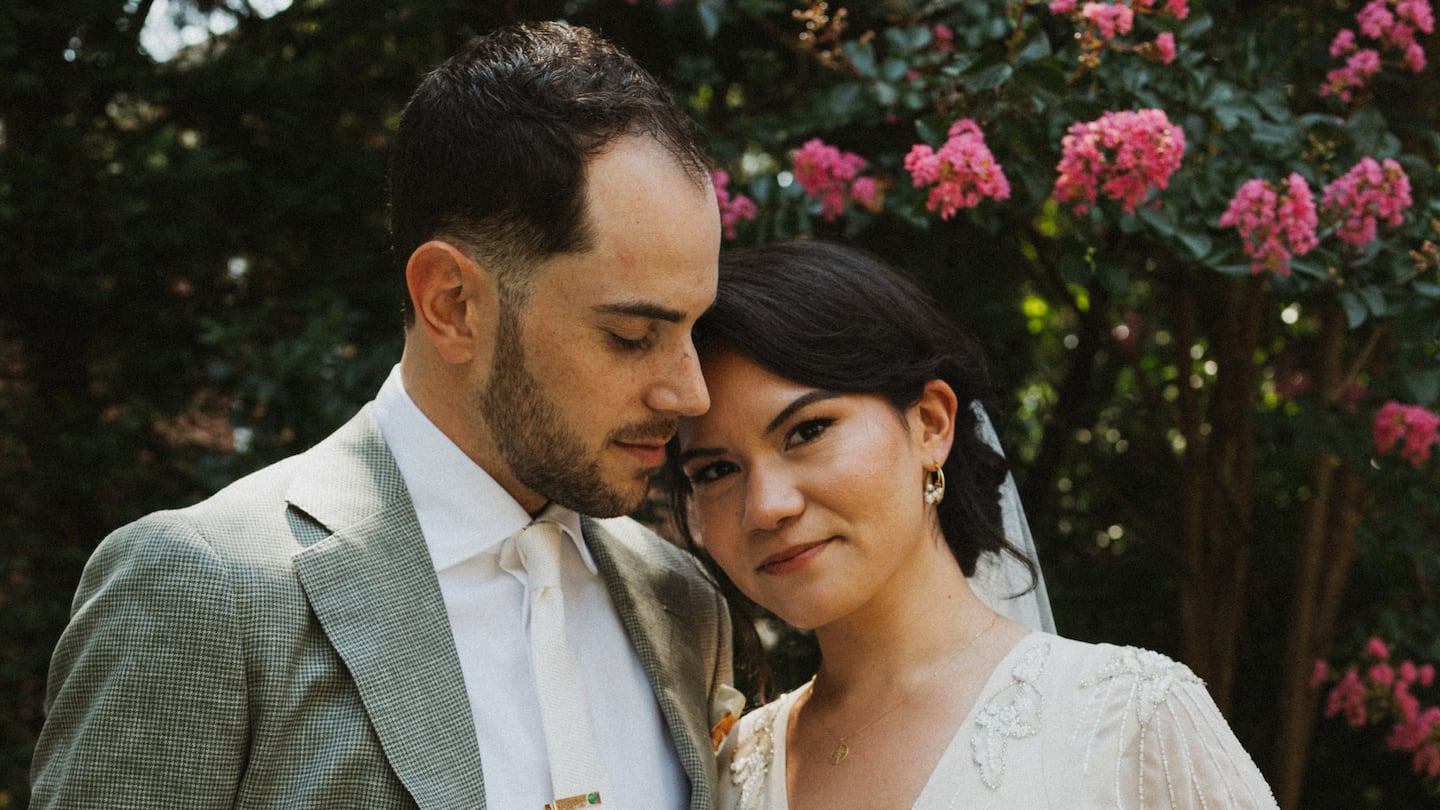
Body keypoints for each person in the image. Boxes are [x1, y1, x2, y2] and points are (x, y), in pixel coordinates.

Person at [31, 21, 732, 810]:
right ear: (453, 304)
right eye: (632, 335)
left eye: (693, 330)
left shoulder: (683, 603)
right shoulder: (206, 592)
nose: (690, 393)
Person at [666, 239, 1279, 809]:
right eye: (717, 470)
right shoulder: (727, 771)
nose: (766, 506)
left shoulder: (1130, 720)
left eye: (807, 431)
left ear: (931, 424)